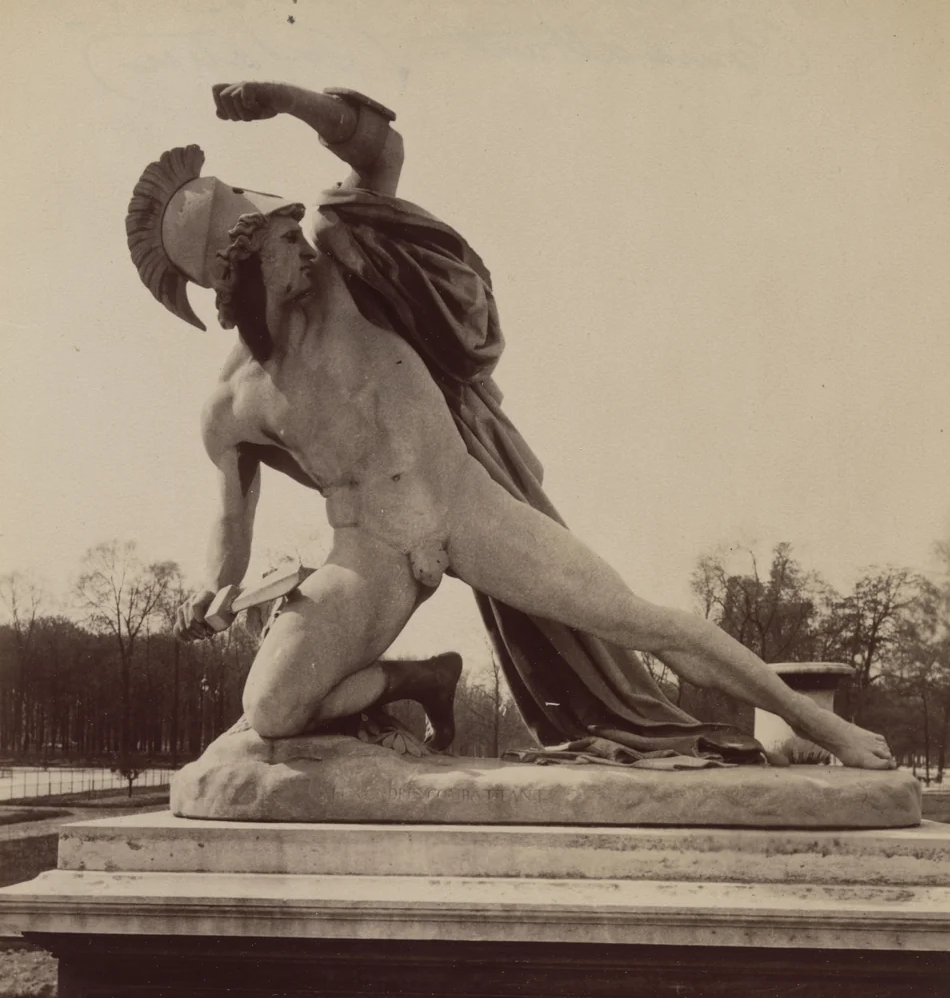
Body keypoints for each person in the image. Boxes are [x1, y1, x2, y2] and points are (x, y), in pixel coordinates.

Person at [127, 80, 895, 769]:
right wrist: (216, 592)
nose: (299, 242)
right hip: (368, 552)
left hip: (466, 507)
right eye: (279, 239)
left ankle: (823, 730)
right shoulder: (232, 407)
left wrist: (289, 99)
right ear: (240, 273)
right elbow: (232, 527)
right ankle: (422, 679)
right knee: (271, 710)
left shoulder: (344, 265)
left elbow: (381, 154)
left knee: (642, 624)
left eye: (290, 228)